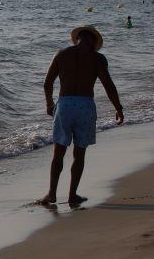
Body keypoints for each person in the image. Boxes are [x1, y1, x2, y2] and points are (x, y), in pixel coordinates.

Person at [38, 25, 124, 206]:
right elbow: (109, 86)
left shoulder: (61, 54)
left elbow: (47, 83)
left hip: (64, 105)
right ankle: (72, 195)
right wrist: (118, 108)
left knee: (58, 152)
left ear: (77, 38)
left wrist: (49, 104)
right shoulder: (98, 58)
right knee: (79, 153)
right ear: (93, 41)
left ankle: (51, 194)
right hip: (85, 105)